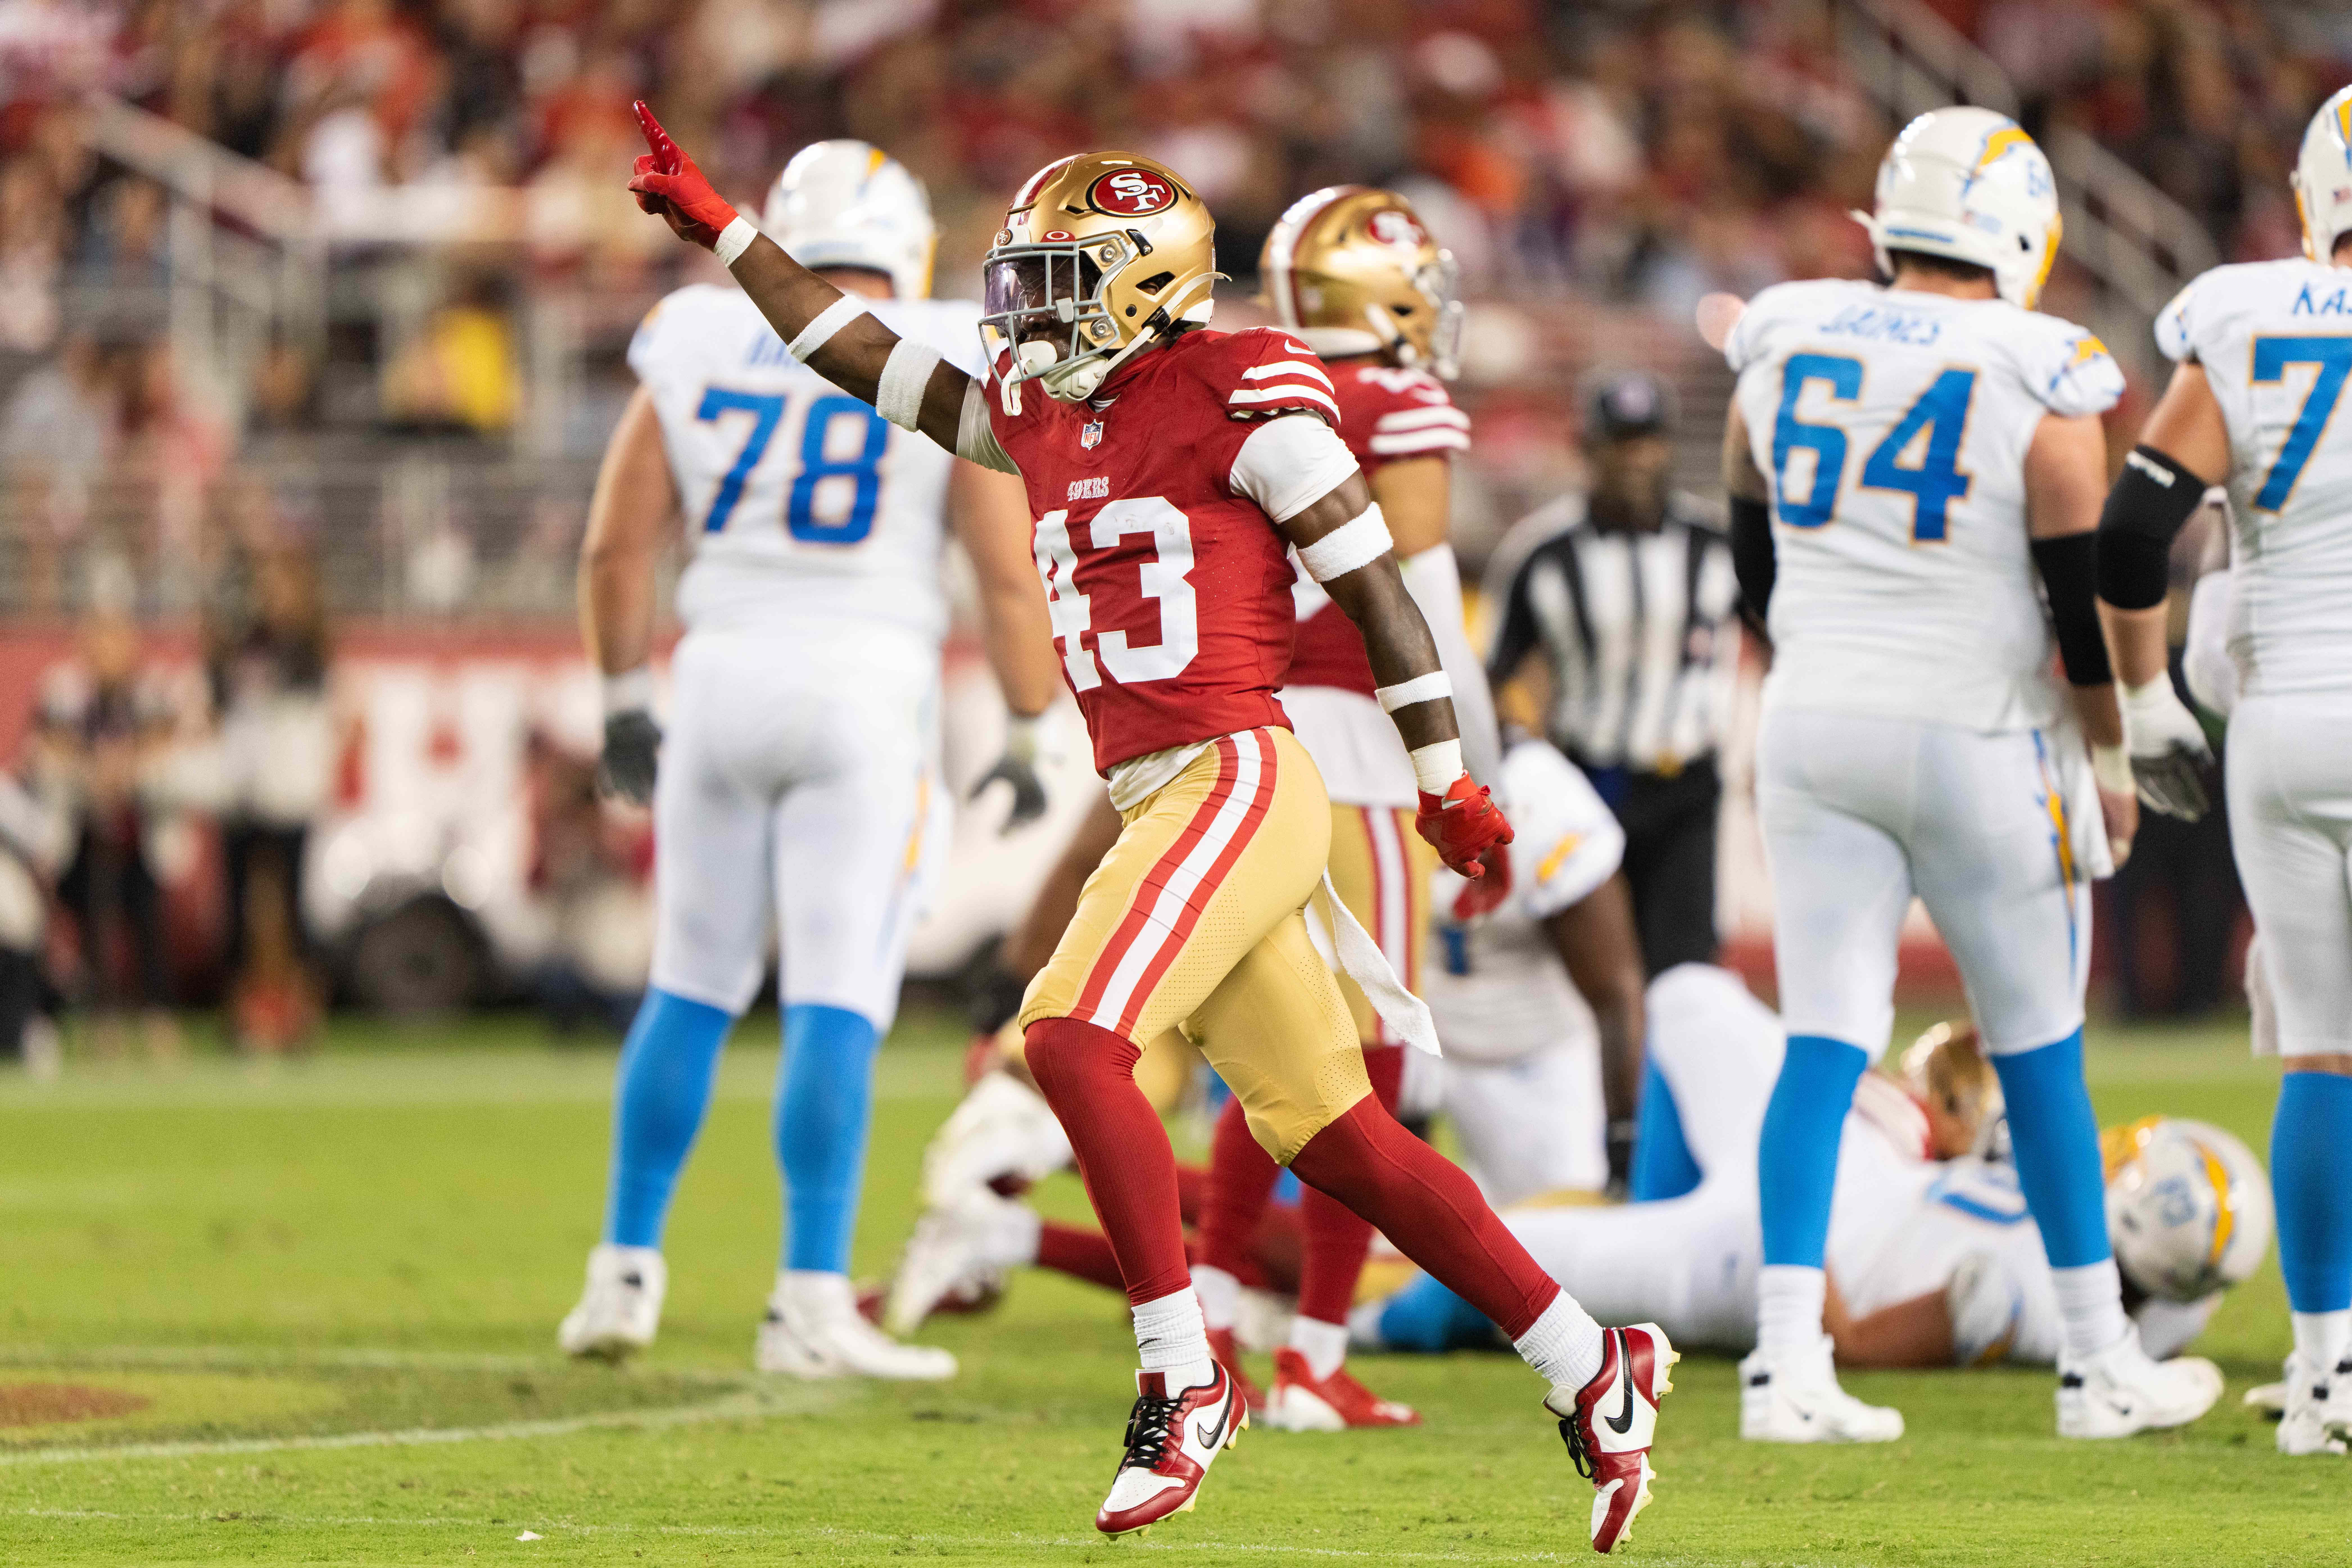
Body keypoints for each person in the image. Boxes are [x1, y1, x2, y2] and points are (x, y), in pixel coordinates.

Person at [626, 110, 1674, 1551]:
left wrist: (1440, 779)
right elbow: (858, 356)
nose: (1026, 309)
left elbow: (1381, 599)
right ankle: (1587, 1358)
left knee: (1065, 1036)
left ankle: (1184, 1374)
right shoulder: (1043, 407)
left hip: (1238, 769)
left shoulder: (1242, 383)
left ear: (1140, 281)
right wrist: (729, 228)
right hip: (1164, 786)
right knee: (1334, 1132)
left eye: (1058, 280)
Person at [1719, 106, 2220, 1442]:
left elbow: (1746, 547)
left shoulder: (1780, 327)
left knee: (1821, 1038)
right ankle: (2096, 1360)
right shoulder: (2039, 360)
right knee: (2038, 1047)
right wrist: (2108, 751)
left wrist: (1824, 644)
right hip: (1975, 731)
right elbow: (2071, 594)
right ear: (2017, 230)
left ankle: (1782, 1366)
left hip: (1811, 718)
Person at [556, 140, 1058, 1381]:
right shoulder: (934, 341)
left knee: (690, 986)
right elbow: (1004, 570)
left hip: (718, 675)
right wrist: (1032, 725)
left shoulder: (695, 334)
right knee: (837, 997)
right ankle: (811, 1299)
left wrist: (625, 696)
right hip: (862, 687)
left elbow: (618, 551)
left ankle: (622, 1274)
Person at [892, 732, 1649, 1363]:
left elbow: (1616, 985)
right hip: (1376, 1016)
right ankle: (1238, 1341)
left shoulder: (1539, 796)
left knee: (1400, 1260)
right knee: (1328, 1189)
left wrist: (1622, 1141)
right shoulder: (1327, 743)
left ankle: (1035, 1204)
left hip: (1525, 1057)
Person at [1184, 184, 1502, 1433]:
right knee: (1357, 1077)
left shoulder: (1249, 386)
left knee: (1265, 1063)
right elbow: (1411, 600)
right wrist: (1471, 775)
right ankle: (1312, 1352)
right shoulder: (1393, 401)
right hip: (1365, 753)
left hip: (1256, 744)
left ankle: (1210, 1324)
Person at [2090, 84, 2352, 1456]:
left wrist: (2141, 702)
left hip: (2290, 720)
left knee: (2321, 1049)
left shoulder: (2241, 315)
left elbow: (2131, 533)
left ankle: (2327, 1378)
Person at [1358, 990, 2269, 1374]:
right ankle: (1647, 1202)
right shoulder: (2173, 1297)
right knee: (1689, 998)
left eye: (2129, 1167)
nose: (2112, 1154)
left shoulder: (2040, 1295)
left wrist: (1791, 1246)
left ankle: (1355, 1322)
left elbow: (1868, 1341)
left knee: (1505, 1260)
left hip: (1789, 1238)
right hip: (1858, 1176)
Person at [1486, 369, 1738, 975]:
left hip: (1687, 786)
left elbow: (1784, 642)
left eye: (1647, 441)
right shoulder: (1542, 554)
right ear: (1588, 450)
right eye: (1620, 443)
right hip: (1589, 781)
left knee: (1686, 973)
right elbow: (1491, 679)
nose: (1636, 459)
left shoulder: (1717, 545)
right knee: (1592, 971)